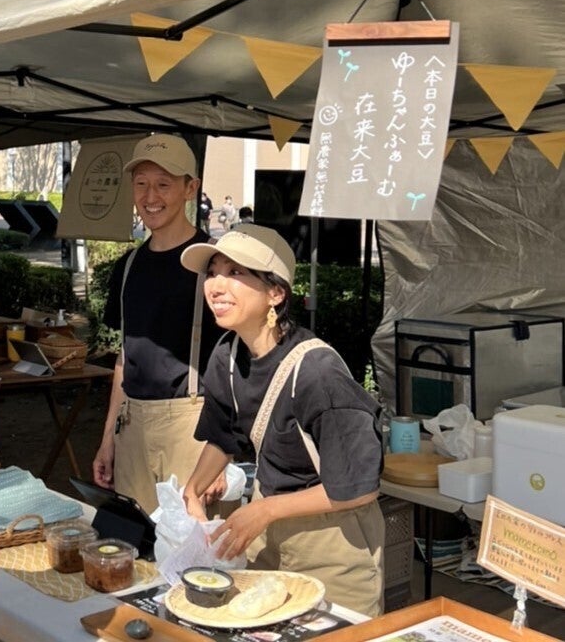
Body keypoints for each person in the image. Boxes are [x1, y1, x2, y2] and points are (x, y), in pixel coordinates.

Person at [179, 225, 384, 616]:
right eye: (213, 272)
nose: (216, 286)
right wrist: (192, 491)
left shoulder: (317, 373)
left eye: (235, 273)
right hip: (265, 537)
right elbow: (224, 437)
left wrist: (266, 510)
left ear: (275, 293)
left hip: (333, 544)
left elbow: (359, 488)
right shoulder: (227, 355)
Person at [93, 134, 224, 513]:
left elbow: (236, 363)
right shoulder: (128, 266)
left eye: (164, 184)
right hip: (132, 427)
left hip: (194, 430)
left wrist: (223, 451)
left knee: (194, 545)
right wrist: (108, 439)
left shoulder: (215, 264)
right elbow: (125, 358)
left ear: (190, 188)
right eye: (141, 184)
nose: (151, 197)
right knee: (136, 541)